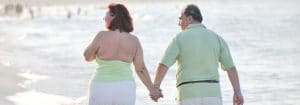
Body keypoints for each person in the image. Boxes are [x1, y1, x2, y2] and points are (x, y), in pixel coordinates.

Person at [152, 4, 244, 105]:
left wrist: (155, 87)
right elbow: (230, 68)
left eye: (180, 19)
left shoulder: (179, 39)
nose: (179, 23)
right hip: (212, 96)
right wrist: (237, 92)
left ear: (190, 18)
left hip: (187, 95)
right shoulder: (216, 38)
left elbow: (164, 64)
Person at [84, 3, 162, 105]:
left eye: (106, 14)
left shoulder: (101, 36)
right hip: (125, 88)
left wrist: (97, 53)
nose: (104, 18)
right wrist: (152, 90)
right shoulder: (134, 41)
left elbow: (87, 56)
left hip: (101, 85)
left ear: (113, 16)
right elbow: (140, 69)